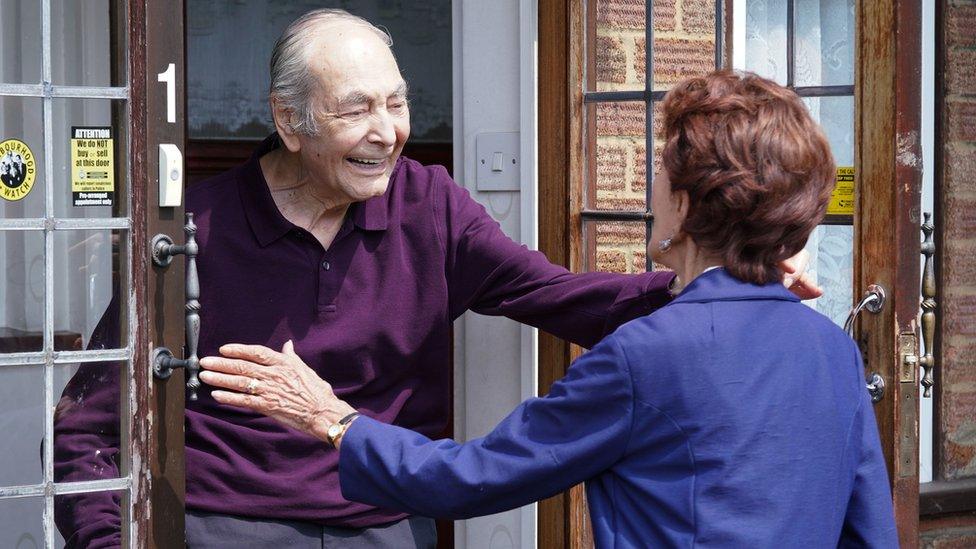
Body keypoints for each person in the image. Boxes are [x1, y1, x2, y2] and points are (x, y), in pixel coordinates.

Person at [52, 10, 818, 548]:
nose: (387, 131)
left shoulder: (429, 203)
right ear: (290, 122)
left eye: (398, 102)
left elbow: (554, 296)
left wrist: (717, 274)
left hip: (383, 517)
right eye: (358, 110)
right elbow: (89, 419)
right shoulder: (194, 228)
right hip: (225, 523)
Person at [200, 70, 897, 548]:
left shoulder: (645, 356)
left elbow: (468, 477)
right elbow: (870, 531)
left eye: (660, 171)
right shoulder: (832, 347)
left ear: (684, 206)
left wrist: (333, 418)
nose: (651, 187)